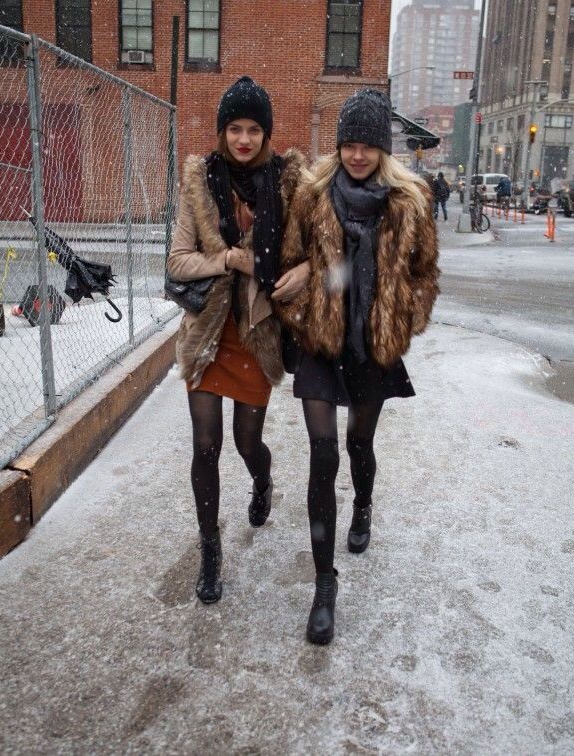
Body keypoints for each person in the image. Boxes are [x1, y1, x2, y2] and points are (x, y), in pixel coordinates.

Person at [278, 89, 440, 645]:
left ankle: (364, 505)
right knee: (322, 454)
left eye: (368, 145)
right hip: (321, 344)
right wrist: (303, 298)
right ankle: (325, 583)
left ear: (383, 149)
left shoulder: (409, 201)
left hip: (372, 346)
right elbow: (290, 260)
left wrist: (404, 317)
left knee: (358, 445)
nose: (356, 155)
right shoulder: (313, 196)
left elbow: (425, 273)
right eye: (349, 144)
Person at [167, 76, 308, 604]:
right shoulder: (200, 182)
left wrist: (310, 269)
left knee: (248, 444)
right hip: (207, 332)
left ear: (267, 133)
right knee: (206, 444)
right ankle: (210, 549)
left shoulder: (290, 184)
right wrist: (228, 258)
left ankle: (262, 482)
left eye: (253, 130)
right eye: (235, 128)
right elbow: (178, 259)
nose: (244, 139)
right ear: (223, 131)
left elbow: (322, 247)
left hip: (255, 334)